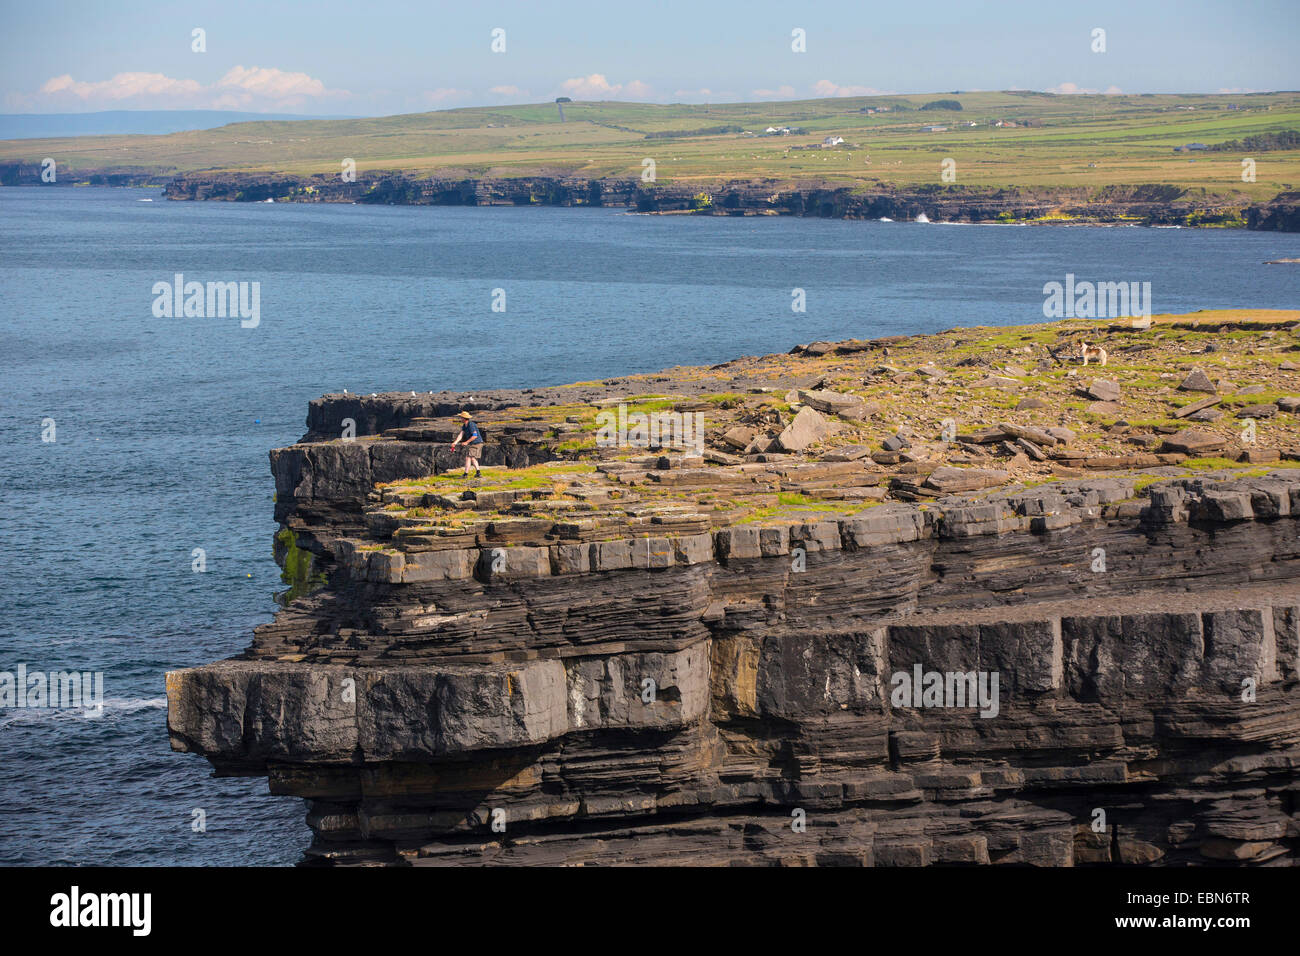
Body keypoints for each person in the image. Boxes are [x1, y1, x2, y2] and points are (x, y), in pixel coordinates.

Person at [449, 410, 483, 478]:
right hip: (474, 443)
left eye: (461, 417)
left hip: (476, 443)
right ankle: (478, 473)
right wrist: (455, 443)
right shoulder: (465, 425)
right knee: (472, 458)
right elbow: (461, 435)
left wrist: (466, 442)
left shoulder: (471, 425)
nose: (460, 419)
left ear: (464, 418)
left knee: (468, 457)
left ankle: (465, 474)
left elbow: (475, 436)